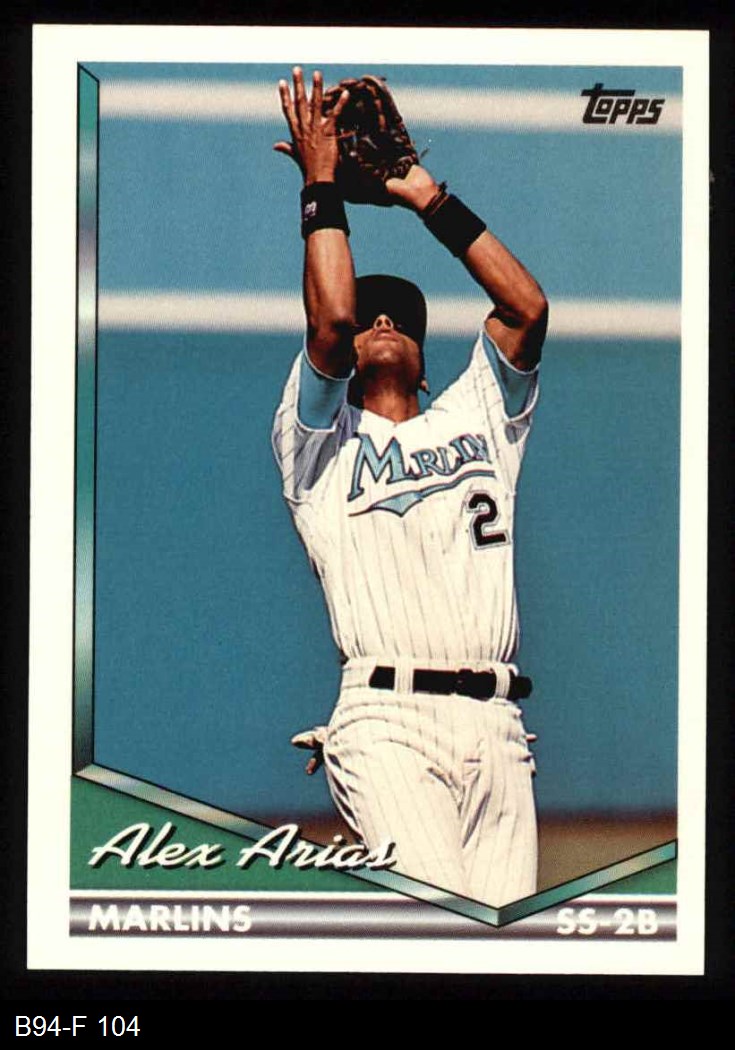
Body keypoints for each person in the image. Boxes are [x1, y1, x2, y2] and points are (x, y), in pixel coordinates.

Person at [271, 68, 548, 906]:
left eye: (402, 320)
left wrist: (426, 196)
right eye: (371, 319)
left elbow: (525, 309)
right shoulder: (316, 444)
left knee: (503, 949)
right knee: (443, 931)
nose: (382, 324)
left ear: (426, 365)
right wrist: (321, 186)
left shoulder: (479, 417)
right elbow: (329, 319)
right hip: (386, 720)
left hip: (498, 726)